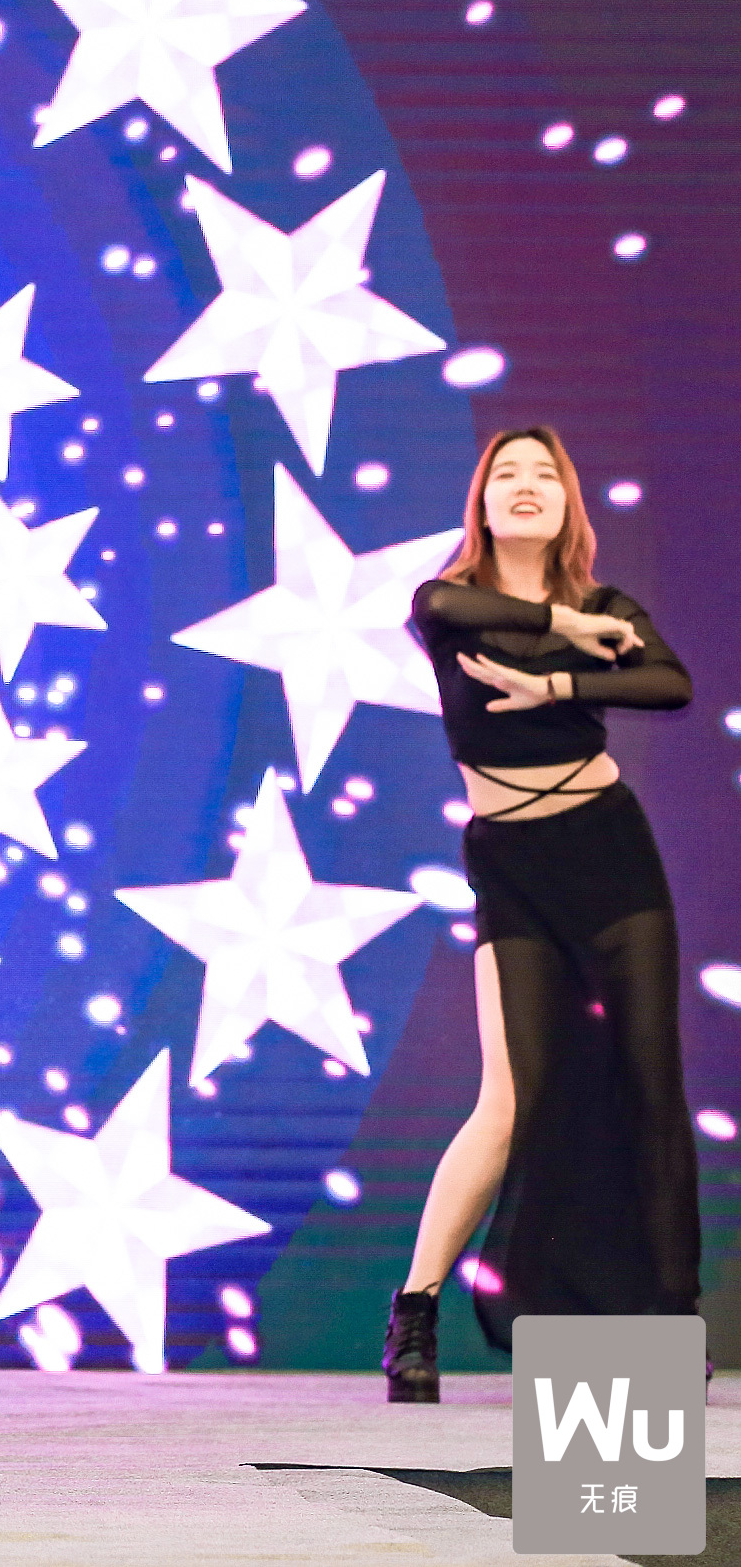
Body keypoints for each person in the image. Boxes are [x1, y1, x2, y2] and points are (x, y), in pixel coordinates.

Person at [386, 426, 694, 1403]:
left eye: (544, 474)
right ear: (480, 503)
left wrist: (558, 678)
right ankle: (414, 1309)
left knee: (647, 1084)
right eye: (506, 474)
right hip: (511, 866)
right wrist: (561, 628)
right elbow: (443, 604)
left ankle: (667, 1318)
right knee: (509, 1098)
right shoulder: (449, 604)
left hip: (609, 852)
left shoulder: (608, 606)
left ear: (567, 503)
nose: (525, 486)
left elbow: (669, 683)